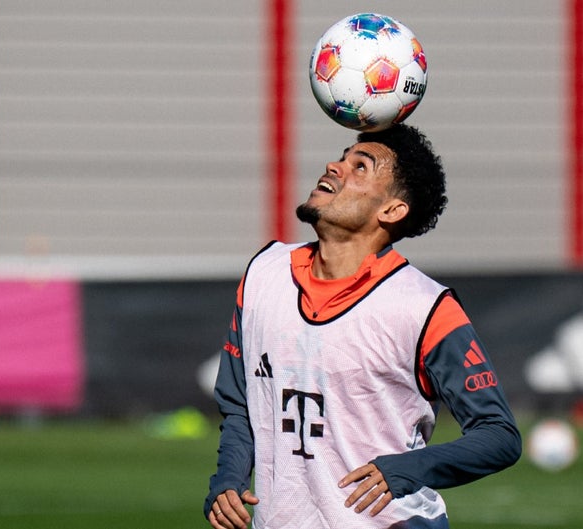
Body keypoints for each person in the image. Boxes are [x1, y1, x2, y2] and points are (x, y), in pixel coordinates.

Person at [204, 124, 521, 528]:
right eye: (342, 158)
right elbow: (240, 405)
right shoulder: (263, 274)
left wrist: (406, 469)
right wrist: (229, 478)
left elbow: (498, 434)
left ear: (391, 211)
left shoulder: (424, 306)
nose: (333, 166)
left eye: (360, 167)